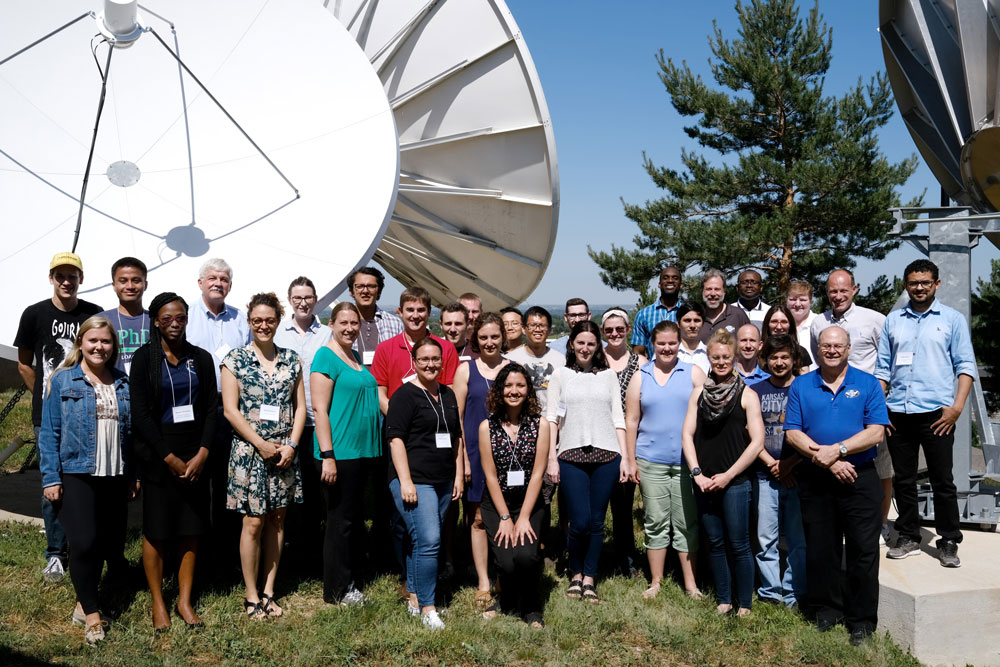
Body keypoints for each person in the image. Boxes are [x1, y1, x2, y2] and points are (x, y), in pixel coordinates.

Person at [785, 326, 889, 645]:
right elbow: (792, 433)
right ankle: (828, 611)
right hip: (817, 478)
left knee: (863, 551)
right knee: (821, 549)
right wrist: (827, 458)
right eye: (825, 345)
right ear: (817, 348)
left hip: (860, 477)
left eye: (838, 346)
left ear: (848, 349)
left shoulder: (868, 383)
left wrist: (840, 449)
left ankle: (861, 622)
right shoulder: (802, 385)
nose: (831, 350)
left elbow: (876, 432)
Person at [38, 316, 134, 645]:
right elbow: (49, 433)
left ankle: (83, 602)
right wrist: (51, 477)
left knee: (106, 543)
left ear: (113, 347)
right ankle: (93, 616)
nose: (99, 347)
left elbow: (130, 434)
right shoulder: (63, 380)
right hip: (76, 472)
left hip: (114, 474)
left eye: (105, 342)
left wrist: (132, 474)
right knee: (83, 542)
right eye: (93, 341)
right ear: (81, 343)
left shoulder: (122, 382)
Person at [876, 259, 976, 568]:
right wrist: (881, 411)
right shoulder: (893, 321)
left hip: (937, 414)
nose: (919, 287)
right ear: (905, 285)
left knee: (942, 480)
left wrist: (957, 407)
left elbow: (965, 366)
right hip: (898, 413)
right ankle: (908, 536)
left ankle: (948, 540)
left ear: (936, 284)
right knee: (903, 479)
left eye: (925, 282)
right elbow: (882, 369)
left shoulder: (952, 319)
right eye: (913, 282)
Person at [130, 293, 217, 631]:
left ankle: (184, 600)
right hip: (159, 457)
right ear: (155, 321)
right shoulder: (144, 359)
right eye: (167, 318)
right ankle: (157, 601)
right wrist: (167, 456)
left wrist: (203, 453)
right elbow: (140, 413)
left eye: (180, 317)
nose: (175, 323)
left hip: (195, 456)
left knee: (190, 531)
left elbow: (212, 407)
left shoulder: (201, 358)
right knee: (157, 531)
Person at [15, 252, 102, 582]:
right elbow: (24, 362)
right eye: (60, 275)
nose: (67, 281)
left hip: (87, 414)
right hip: (48, 415)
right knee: (52, 482)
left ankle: (86, 546)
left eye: (73, 275)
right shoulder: (34, 314)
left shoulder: (93, 314)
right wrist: (47, 394)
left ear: (81, 279)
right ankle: (55, 552)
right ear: (51, 278)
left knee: (86, 481)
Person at [221, 293, 305, 620]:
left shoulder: (291, 359)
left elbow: (300, 409)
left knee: (278, 519)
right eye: (257, 320)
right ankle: (251, 594)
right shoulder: (235, 360)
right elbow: (230, 410)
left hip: (284, 450)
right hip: (250, 451)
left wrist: (292, 445)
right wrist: (261, 444)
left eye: (269, 319)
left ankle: (270, 590)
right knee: (253, 521)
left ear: (278, 320)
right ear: (249, 321)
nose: (263, 325)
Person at [372, 286, 459, 588]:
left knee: (434, 517)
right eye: (410, 310)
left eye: (421, 310)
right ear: (400, 312)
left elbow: (447, 395)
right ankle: (407, 577)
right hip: (401, 440)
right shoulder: (386, 349)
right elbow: (381, 392)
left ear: (428, 312)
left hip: (436, 445)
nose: (416, 315)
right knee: (402, 518)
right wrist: (401, 417)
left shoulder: (444, 350)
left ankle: (425, 574)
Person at [545, 321, 631, 603]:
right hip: (570, 455)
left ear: (598, 347)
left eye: (591, 344)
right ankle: (575, 571)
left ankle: (589, 577)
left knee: (597, 521)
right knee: (578, 521)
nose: (585, 348)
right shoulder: (561, 375)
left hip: (606, 455)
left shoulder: (608, 376)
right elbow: (552, 420)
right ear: (571, 344)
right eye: (580, 343)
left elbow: (618, 419)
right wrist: (551, 459)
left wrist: (625, 459)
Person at [681, 329, 764, 616]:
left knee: (739, 543)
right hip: (704, 481)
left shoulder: (747, 395)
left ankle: (745, 603)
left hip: (736, 482)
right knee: (715, 542)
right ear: (709, 357)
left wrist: (729, 475)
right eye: (715, 357)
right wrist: (697, 473)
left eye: (726, 357)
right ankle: (724, 599)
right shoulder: (698, 394)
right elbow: (687, 436)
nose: (720, 362)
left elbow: (757, 443)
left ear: (735, 356)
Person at [386, 337, 465, 630]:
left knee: (420, 539)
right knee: (430, 541)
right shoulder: (404, 396)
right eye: (424, 359)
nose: (430, 364)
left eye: (435, 359)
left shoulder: (447, 394)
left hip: (444, 480)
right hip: (415, 480)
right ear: (415, 362)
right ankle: (428, 608)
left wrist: (458, 475)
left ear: (442, 361)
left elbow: (456, 439)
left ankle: (414, 597)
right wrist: (405, 481)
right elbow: (395, 440)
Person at [810, 269, 893, 545]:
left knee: (879, 469)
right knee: (833, 465)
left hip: (869, 404)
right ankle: (841, 525)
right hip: (834, 402)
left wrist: (877, 401)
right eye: (833, 291)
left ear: (854, 289)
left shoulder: (874, 319)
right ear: (827, 293)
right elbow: (819, 358)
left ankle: (880, 523)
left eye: (843, 290)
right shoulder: (818, 322)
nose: (838, 296)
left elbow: (887, 361)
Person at [625, 320, 705, 599]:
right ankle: (656, 581)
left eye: (672, 343)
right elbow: (632, 419)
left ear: (679, 343)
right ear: (653, 345)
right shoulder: (640, 375)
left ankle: (690, 584)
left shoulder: (694, 373)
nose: (667, 348)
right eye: (662, 343)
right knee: (655, 520)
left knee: (686, 522)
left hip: (686, 462)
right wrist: (631, 459)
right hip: (650, 459)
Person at [310, 302, 381, 605]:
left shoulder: (352, 356)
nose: (350, 328)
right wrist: (328, 455)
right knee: (340, 522)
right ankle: (337, 590)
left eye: (354, 323)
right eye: (344, 323)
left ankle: (348, 578)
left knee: (351, 519)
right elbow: (320, 410)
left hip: (361, 451)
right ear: (332, 323)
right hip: (339, 452)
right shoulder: (326, 357)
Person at [185, 258, 251, 563]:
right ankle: (194, 552)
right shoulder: (185, 316)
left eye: (224, 279)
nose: (218, 283)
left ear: (230, 285)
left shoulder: (240, 320)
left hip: (232, 408)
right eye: (212, 278)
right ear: (200, 283)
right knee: (197, 481)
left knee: (228, 482)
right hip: (196, 407)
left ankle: (223, 553)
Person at [477, 363, 550, 627]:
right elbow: (490, 476)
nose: (514, 391)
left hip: (529, 503)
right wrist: (506, 517)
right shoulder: (487, 427)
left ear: (528, 390)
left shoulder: (540, 425)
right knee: (506, 562)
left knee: (526, 556)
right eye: (508, 385)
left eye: (520, 385)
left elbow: (538, 474)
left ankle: (531, 607)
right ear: (499, 389)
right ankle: (506, 599)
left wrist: (524, 517)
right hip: (497, 504)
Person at [451, 313, 510, 605]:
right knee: (476, 518)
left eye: (495, 337)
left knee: (503, 515)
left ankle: (503, 576)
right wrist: (462, 458)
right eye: (484, 338)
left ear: (503, 338)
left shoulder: (513, 369)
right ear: (476, 340)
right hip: (474, 453)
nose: (489, 342)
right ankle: (483, 581)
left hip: (506, 456)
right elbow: (457, 417)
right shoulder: (465, 371)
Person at [274, 277, 331, 568]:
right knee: (290, 488)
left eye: (308, 297)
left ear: (316, 298)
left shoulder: (328, 334)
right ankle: (292, 550)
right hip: (287, 423)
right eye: (297, 298)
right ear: (289, 300)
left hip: (320, 422)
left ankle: (315, 548)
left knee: (318, 489)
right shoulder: (277, 333)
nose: (303, 302)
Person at [750, 334, 806, 607]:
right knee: (766, 538)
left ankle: (794, 592)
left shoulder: (804, 388)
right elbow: (749, 432)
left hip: (797, 474)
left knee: (797, 538)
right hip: (764, 474)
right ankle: (771, 592)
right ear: (765, 360)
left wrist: (788, 464)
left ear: (794, 360)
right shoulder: (756, 391)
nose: (779, 362)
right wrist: (770, 463)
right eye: (774, 357)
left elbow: (811, 432)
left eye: (785, 357)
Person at [602, 307, 646, 576]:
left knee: (622, 506)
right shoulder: (596, 358)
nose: (615, 333)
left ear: (628, 330)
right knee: (597, 506)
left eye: (620, 329)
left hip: (629, 441)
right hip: (599, 439)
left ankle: (625, 559)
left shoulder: (640, 362)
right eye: (609, 330)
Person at [505, 306, 565, 412]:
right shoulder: (509, 360)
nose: (537, 330)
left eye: (542, 326)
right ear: (524, 329)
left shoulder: (561, 360)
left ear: (549, 330)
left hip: (551, 421)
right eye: (532, 325)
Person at [98, 257, 150, 375]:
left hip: (150, 391)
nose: (130, 286)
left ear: (145, 284)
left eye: (136, 280)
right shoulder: (99, 321)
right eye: (123, 281)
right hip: (110, 390)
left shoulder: (156, 321)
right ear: (114, 285)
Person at [346, 267, 404, 368]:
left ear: (379, 292)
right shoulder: (342, 324)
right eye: (359, 286)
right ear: (351, 291)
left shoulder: (395, 323)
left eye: (371, 286)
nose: (365, 291)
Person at [631, 264, 684, 356]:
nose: (670, 281)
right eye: (665, 278)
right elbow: (638, 352)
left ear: (680, 285)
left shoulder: (688, 314)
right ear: (659, 284)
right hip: (653, 369)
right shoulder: (643, 314)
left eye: (675, 278)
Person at [699, 270, 751, 343]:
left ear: (724, 291)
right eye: (708, 289)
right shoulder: (696, 316)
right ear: (702, 291)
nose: (713, 293)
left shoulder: (738, 315)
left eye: (717, 289)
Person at [761, 304, 812, 372]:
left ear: (790, 325)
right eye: (774, 322)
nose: (779, 327)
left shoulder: (800, 352)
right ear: (767, 324)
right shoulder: (759, 352)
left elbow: (805, 380)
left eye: (784, 322)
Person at [786, 278, 817, 366]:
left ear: (810, 300)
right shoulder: (780, 325)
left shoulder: (819, 323)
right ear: (786, 300)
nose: (797, 304)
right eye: (793, 299)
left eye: (803, 300)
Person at [676, 303, 710, 373]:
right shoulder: (668, 353)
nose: (692, 325)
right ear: (678, 324)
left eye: (697, 320)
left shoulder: (710, 354)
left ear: (703, 323)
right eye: (687, 320)